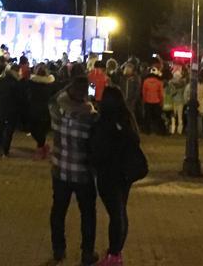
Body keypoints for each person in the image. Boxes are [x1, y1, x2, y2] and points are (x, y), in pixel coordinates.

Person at [48, 74, 98, 266]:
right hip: (83, 173)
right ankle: (87, 252)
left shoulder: (58, 112)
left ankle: (58, 249)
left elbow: (53, 99)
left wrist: (67, 90)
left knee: (58, 211)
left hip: (60, 170)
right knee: (87, 214)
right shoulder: (91, 117)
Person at [91, 86, 143, 266]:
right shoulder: (127, 119)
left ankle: (114, 255)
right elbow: (135, 140)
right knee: (120, 211)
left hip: (108, 174)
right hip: (124, 174)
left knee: (116, 214)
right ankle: (116, 252)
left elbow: (97, 150)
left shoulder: (102, 122)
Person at [0, 63, 24, 157]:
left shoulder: (2, 79)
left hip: (1, 106)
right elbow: (20, 97)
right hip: (12, 108)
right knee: (9, 130)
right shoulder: (17, 82)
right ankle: (5, 150)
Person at [29, 63, 55, 159]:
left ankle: (41, 148)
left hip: (36, 109)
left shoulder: (32, 83)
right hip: (45, 109)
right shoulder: (50, 84)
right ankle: (43, 147)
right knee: (40, 130)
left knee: (36, 130)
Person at [141, 67, 165, 135]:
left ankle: (147, 131)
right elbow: (161, 94)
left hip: (148, 101)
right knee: (157, 117)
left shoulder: (146, 81)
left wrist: (144, 100)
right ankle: (158, 131)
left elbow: (144, 92)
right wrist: (161, 102)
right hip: (156, 101)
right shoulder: (159, 82)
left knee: (147, 117)